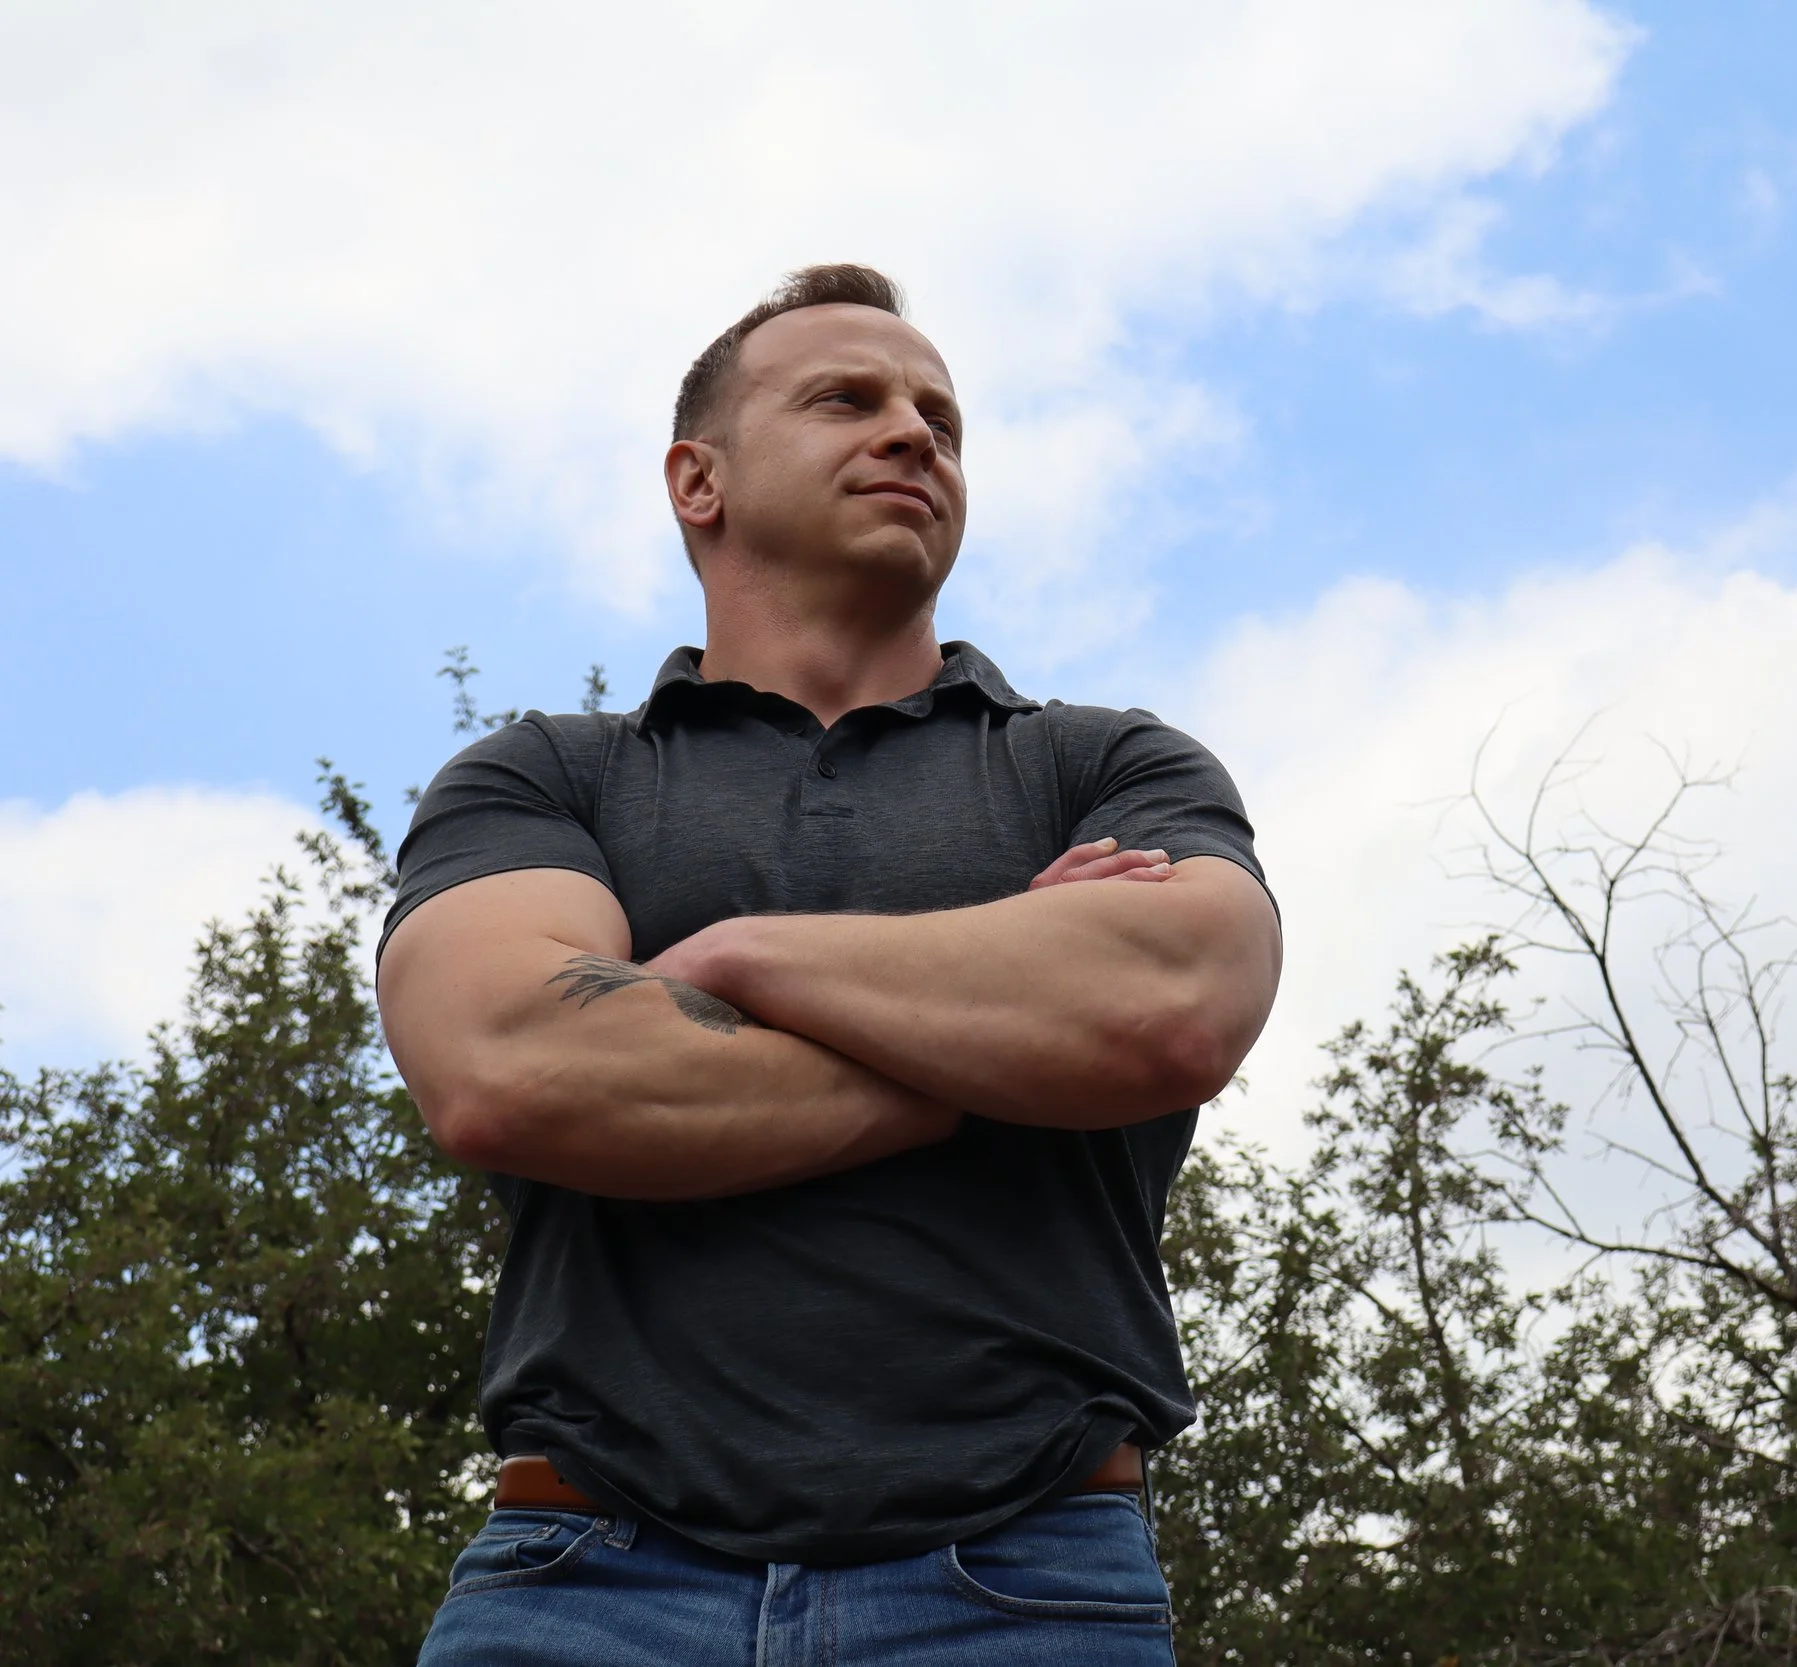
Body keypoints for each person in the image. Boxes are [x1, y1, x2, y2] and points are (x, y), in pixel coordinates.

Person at [376, 264, 1282, 1666]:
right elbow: (509, 1063)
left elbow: (1177, 1001)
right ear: (699, 480)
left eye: (941, 416)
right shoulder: (551, 776)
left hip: (1027, 1585)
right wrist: (995, 1044)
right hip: (583, 1584)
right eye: (846, 399)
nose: (915, 433)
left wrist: (728, 960)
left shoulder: (1100, 763)